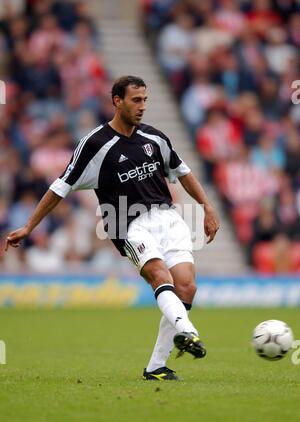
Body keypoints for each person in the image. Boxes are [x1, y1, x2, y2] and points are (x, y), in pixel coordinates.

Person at [5, 75, 220, 381]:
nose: (142, 106)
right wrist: (29, 226)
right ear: (117, 101)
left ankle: (156, 367)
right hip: (127, 222)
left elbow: (182, 172)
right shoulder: (95, 144)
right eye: (136, 100)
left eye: (145, 99)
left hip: (168, 219)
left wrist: (207, 207)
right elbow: (60, 187)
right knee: (160, 276)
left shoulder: (154, 138)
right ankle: (189, 332)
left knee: (186, 286)